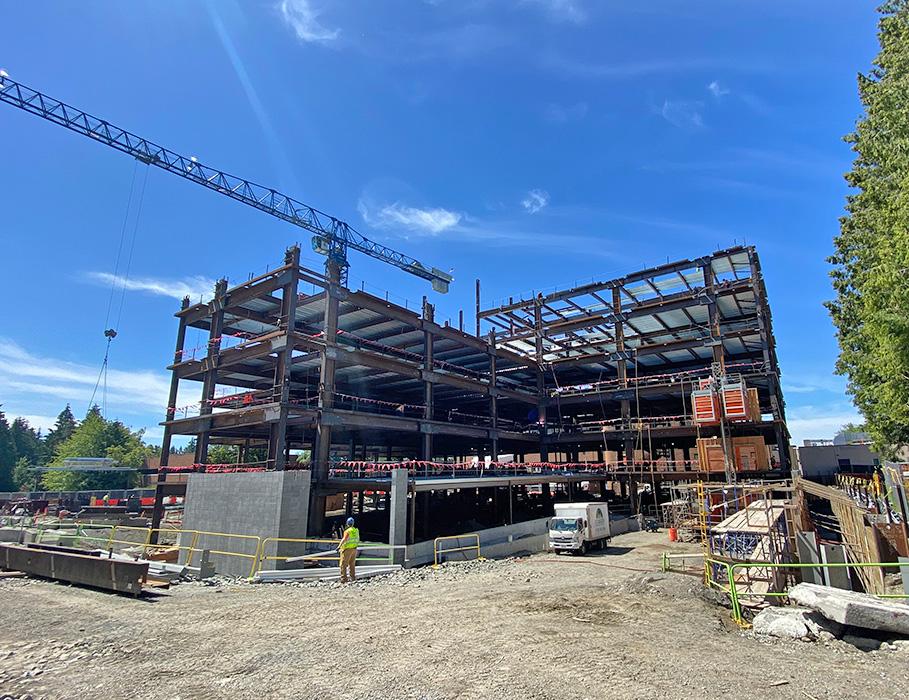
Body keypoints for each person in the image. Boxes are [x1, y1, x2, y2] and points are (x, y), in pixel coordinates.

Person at [337, 516, 360, 583]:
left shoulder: (347, 531)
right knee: (352, 564)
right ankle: (353, 578)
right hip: (354, 549)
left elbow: (344, 539)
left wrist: (339, 546)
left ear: (347, 524)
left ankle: (344, 579)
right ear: (353, 523)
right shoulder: (356, 531)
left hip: (347, 549)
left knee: (343, 564)